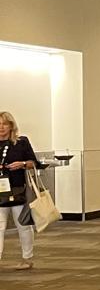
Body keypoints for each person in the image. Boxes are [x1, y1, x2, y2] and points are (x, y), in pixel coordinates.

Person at [0, 111, 39, 270]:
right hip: (0, 191)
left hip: (17, 189)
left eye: (4, 124)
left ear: (11, 126)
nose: (1, 128)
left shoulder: (21, 142)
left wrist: (22, 164)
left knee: (23, 224)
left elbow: (33, 162)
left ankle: (27, 258)